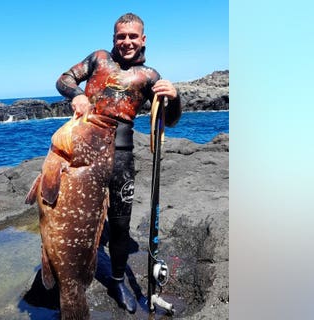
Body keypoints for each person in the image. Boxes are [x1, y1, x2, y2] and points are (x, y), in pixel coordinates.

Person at [55, 12, 182, 313]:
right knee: (77, 216)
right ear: (114, 38)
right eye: (120, 36)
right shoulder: (98, 59)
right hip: (85, 148)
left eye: (132, 36)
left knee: (121, 224)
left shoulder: (149, 76)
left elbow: (171, 120)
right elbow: (64, 80)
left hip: (122, 155)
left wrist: (174, 98)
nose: (126, 42)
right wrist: (76, 96)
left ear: (143, 39)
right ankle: (70, 273)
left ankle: (117, 280)